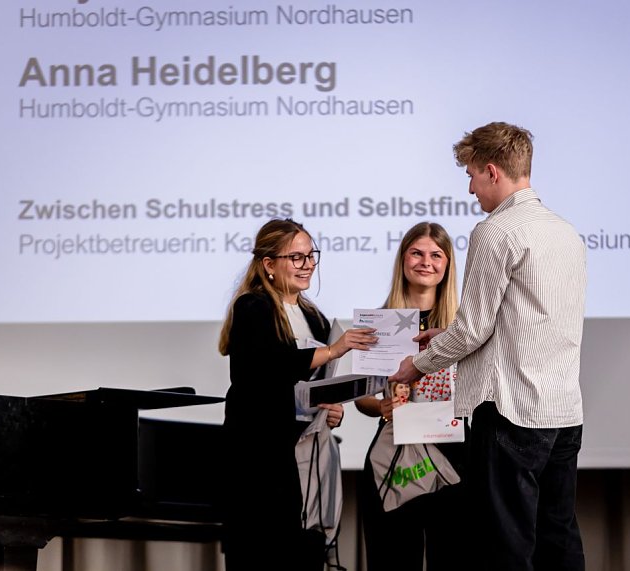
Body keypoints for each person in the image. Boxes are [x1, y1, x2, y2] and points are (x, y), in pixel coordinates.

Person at [389, 122, 588, 571]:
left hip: (511, 412)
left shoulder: (495, 231)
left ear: (492, 171)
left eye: (472, 175)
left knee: (506, 546)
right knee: (558, 538)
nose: (470, 188)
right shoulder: (567, 233)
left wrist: (417, 365)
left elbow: (472, 331)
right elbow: (527, 319)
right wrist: (449, 333)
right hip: (563, 412)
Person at [217, 218, 376, 571]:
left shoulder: (314, 316)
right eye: (296, 257)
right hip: (257, 460)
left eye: (311, 255)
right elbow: (270, 368)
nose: (308, 265)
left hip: (301, 458)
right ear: (269, 264)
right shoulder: (252, 307)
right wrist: (333, 351)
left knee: (301, 551)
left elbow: (311, 386)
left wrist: (330, 409)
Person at [354, 221, 467, 571]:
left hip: (455, 459)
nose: (426, 262)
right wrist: (381, 405)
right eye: (417, 253)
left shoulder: (465, 325)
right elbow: (362, 397)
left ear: (447, 264)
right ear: (403, 259)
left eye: (436, 255)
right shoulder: (379, 323)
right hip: (395, 459)